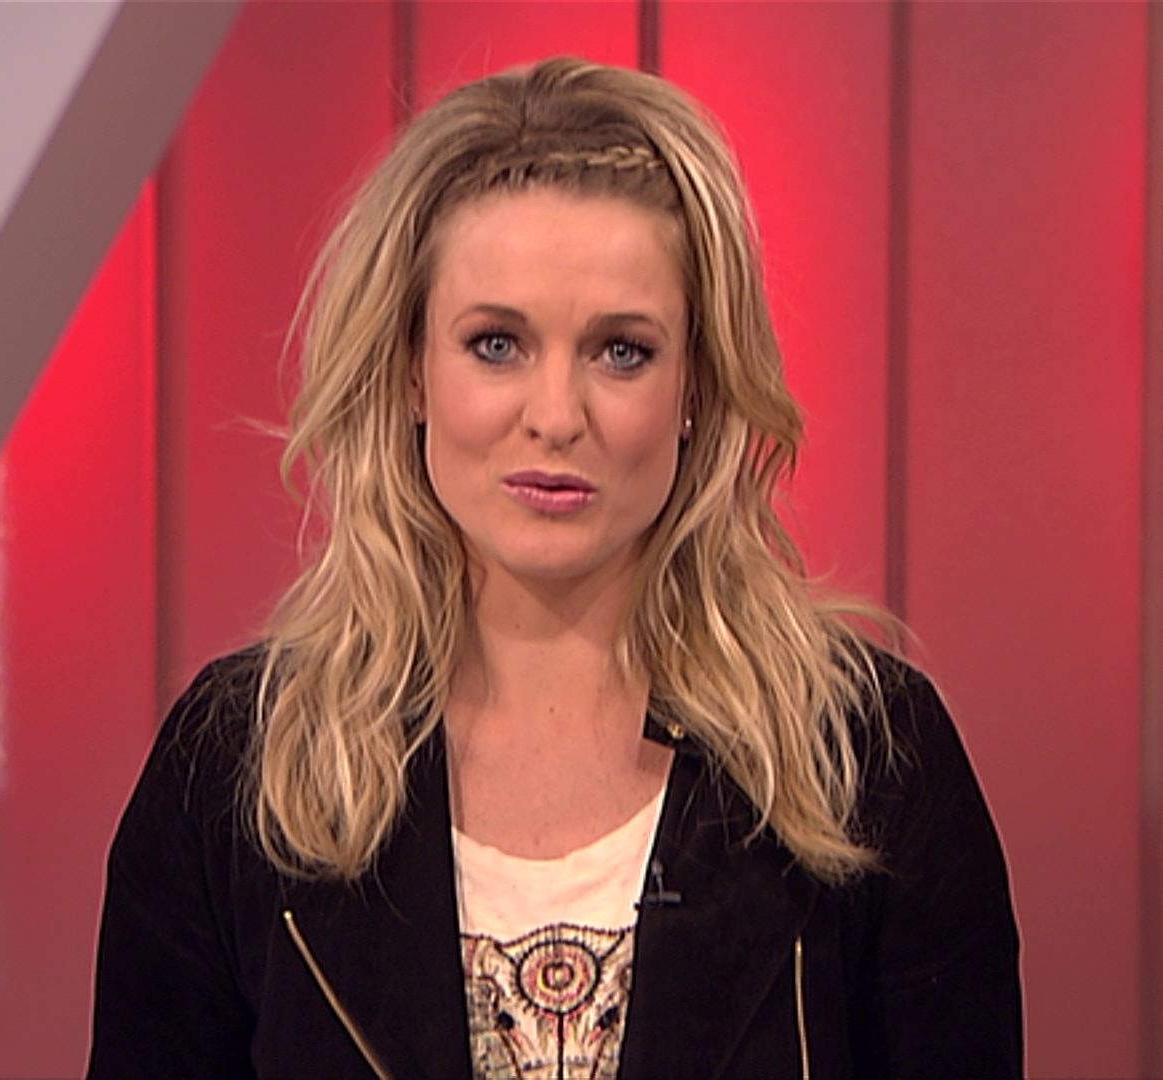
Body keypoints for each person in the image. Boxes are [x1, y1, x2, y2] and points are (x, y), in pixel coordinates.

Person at [89, 56, 1021, 1079]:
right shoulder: (240, 769)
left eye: (621, 351)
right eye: (497, 344)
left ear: (697, 387)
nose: (556, 416)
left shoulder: (863, 760)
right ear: (411, 370)